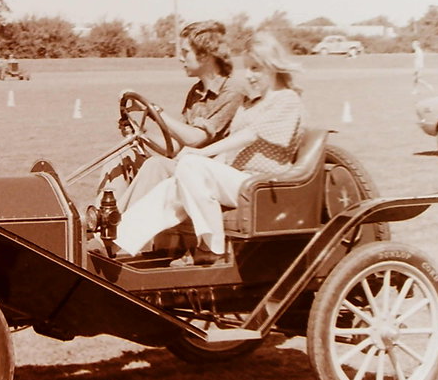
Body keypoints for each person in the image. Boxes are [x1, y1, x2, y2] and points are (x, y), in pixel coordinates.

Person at [114, 31, 304, 265]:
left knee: (192, 164)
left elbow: (249, 135)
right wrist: (202, 160)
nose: (250, 76)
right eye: (247, 68)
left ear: (273, 67)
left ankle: (212, 247)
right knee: (174, 184)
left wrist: (201, 154)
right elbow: (232, 146)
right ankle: (119, 240)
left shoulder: (286, 99)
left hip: (263, 184)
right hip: (240, 180)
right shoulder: (253, 103)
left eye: (256, 68)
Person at [101, 20, 247, 210]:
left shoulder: (232, 91)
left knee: (156, 166)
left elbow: (195, 139)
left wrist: (153, 110)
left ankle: (118, 229)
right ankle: (101, 225)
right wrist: (140, 133)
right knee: (121, 155)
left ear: (205, 55)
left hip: (211, 175)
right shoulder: (196, 92)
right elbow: (175, 147)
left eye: (186, 52)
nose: (180, 58)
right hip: (187, 165)